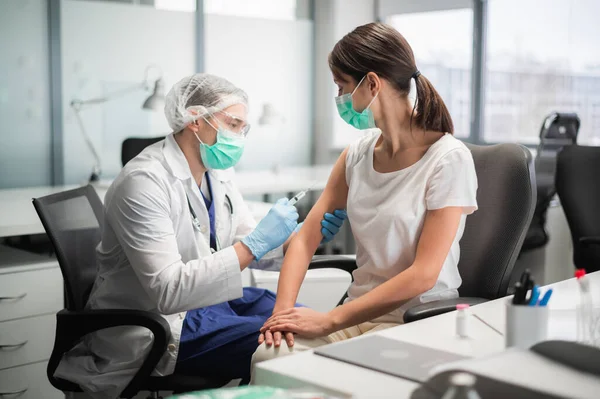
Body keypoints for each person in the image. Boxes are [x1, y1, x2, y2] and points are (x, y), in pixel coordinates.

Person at [54, 73, 347, 399]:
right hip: (159, 323)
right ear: (195, 119)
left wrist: (298, 239)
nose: (240, 136)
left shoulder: (216, 172)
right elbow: (168, 290)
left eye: (242, 128)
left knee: (310, 323)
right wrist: (256, 243)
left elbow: (248, 239)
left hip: (206, 303)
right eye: (233, 124)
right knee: (292, 346)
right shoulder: (143, 183)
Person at [251, 22, 478, 370]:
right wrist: (282, 314)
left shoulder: (448, 159)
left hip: (415, 319)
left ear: (371, 83)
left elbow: (424, 274)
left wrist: (328, 320)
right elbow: (304, 240)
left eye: (341, 86)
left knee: (333, 374)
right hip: (356, 317)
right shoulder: (356, 155)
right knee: (270, 356)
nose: (339, 98)